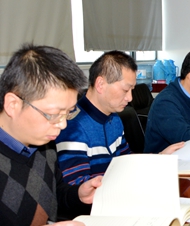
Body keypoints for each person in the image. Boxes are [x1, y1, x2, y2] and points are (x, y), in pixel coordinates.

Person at [0, 44, 103, 226]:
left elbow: (53, 199)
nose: (63, 124)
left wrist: (78, 195)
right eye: (53, 114)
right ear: (13, 104)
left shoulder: (43, 145)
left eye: (69, 113)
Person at [55, 51, 183, 185]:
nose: (130, 98)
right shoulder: (72, 126)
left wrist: (159, 158)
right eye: (125, 90)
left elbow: (124, 161)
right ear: (100, 84)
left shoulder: (114, 118)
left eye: (132, 90)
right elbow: (78, 187)